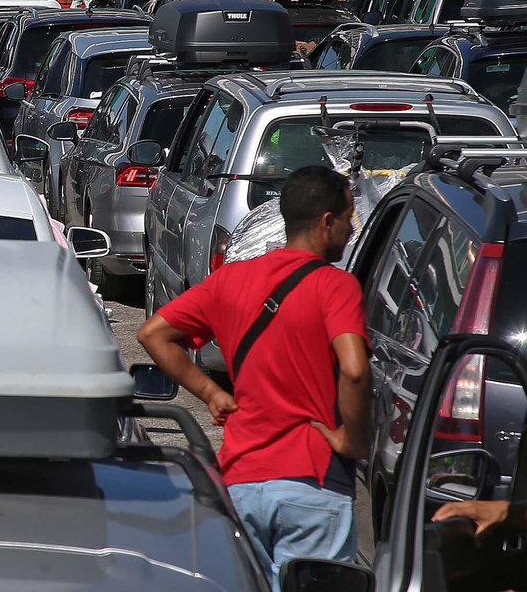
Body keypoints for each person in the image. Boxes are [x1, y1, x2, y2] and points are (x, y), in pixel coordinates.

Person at [137, 167, 369, 590]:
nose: (351, 229)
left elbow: (152, 334)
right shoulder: (337, 287)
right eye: (349, 216)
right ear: (326, 221)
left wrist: (209, 391)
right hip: (313, 482)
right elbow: (354, 369)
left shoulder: (231, 279)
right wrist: (351, 440)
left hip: (242, 480)